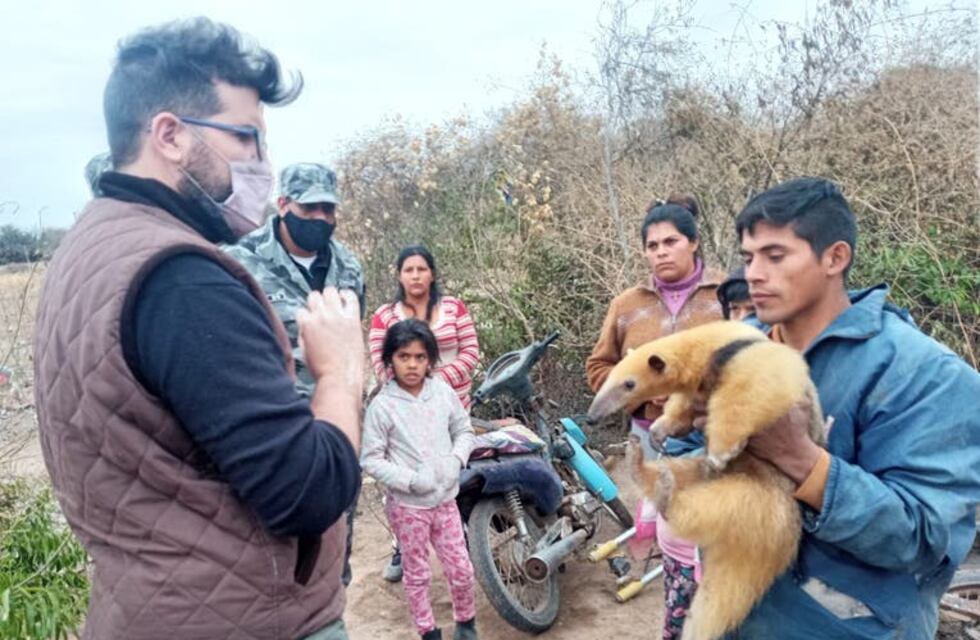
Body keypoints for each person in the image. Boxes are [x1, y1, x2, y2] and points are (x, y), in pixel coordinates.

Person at [33, 18, 362, 640]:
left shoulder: (91, 246)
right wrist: (341, 373)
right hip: (249, 621)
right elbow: (308, 493)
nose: (262, 164)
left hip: (150, 605)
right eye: (246, 137)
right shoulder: (183, 280)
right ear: (170, 135)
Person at [728, 177, 980, 639]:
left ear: (835, 257)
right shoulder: (739, 353)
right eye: (749, 258)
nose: (754, 274)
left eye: (775, 256)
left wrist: (799, 457)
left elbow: (923, 538)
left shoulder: (924, 374)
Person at [586, 194, 726, 639]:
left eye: (671, 242)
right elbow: (599, 368)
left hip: (718, 436)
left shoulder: (725, 295)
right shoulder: (628, 305)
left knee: (721, 542)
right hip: (652, 438)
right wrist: (641, 398)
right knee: (679, 545)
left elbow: (758, 355)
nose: (661, 251)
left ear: (694, 243)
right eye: (652, 245)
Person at [225, 161, 365, 587]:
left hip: (338, 423)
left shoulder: (349, 267)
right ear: (283, 204)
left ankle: (333, 593)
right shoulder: (238, 262)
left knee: (337, 533)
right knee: (272, 551)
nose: (322, 218)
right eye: (310, 209)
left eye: (329, 209)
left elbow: (351, 340)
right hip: (273, 427)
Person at [360, 319, 479, 640]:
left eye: (419, 357)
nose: (412, 364)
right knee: (417, 574)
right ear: (390, 360)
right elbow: (371, 459)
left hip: (445, 502)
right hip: (408, 508)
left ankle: (466, 624)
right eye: (403, 356)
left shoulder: (441, 392)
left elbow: (463, 430)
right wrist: (410, 480)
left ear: (430, 360)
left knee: (462, 570)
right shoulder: (383, 407)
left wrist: (456, 461)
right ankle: (427, 631)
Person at [369, 244, 480, 582]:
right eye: (408, 270)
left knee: (454, 473)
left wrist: (436, 384)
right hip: (404, 417)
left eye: (421, 269)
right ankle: (401, 545)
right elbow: (379, 363)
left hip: (455, 410)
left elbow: (471, 352)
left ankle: (462, 539)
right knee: (404, 481)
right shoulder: (384, 317)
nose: (415, 276)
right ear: (399, 275)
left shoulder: (454, 308)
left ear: (432, 273)